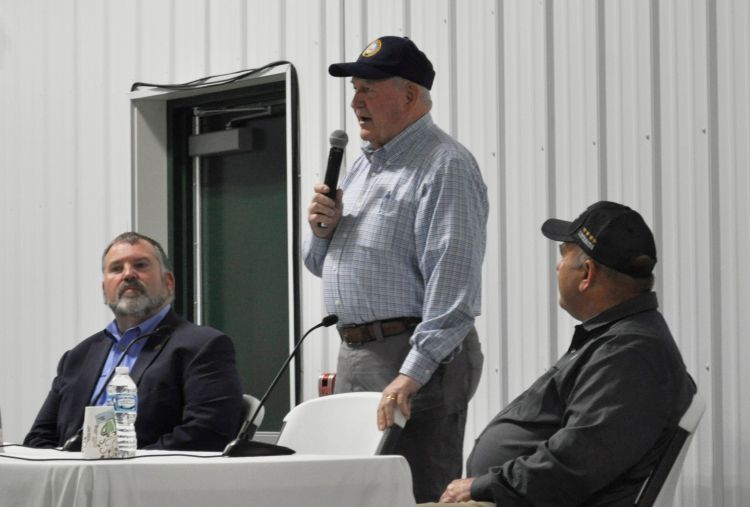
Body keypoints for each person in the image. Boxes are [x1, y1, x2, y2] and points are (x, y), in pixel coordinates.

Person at [303, 35, 488, 502]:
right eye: (354, 90)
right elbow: (319, 265)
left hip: (414, 358)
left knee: (416, 493)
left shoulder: (444, 166)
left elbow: (454, 287)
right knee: (358, 496)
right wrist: (322, 232)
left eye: (368, 89)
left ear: (410, 95)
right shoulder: (364, 167)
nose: (355, 102)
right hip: (358, 354)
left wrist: (413, 373)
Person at [430, 201, 696, 506]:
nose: (558, 267)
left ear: (587, 273)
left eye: (563, 256)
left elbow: (576, 461)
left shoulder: (631, 354)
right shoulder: (619, 341)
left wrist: (483, 486)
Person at [24, 232, 243, 451]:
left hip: (152, 482)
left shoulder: (202, 347)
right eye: (117, 269)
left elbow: (207, 434)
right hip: (75, 481)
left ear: (168, 282)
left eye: (140, 265)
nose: (128, 274)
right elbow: (38, 439)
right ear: (104, 290)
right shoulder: (78, 356)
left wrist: (125, 468)